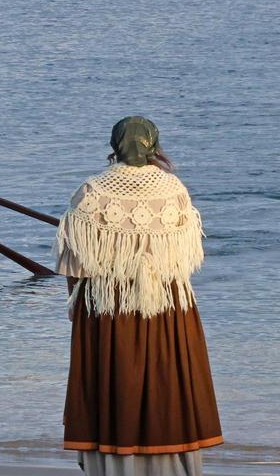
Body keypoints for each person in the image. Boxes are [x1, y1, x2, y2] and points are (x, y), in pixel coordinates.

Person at [54, 116, 222, 475]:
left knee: (113, 384)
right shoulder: (173, 189)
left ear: (114, 147)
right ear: (154, 146)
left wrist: (76, 308)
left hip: (108, 307)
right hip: (166, 306)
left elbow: (74, 264)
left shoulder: (92, 191)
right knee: (167, 382)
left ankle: (114, 465)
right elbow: (185, 260)